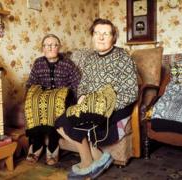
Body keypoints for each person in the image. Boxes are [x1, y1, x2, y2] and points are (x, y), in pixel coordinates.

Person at [55, 18, 139, 179]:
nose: (100, 37)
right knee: (59, 123)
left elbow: (131, 92)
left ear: (113, 37)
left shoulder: (123, 57)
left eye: (105, 34)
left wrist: (106, 106)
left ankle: (87, 163)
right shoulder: (90, 58)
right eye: (97, 33)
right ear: (92, 36)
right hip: (91, 104)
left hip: (115, 105)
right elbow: (84, 84)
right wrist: (82, 97)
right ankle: (98, 158)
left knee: (75, 122)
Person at [24, 34, 81, 166]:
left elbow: (77, 83)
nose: (51, 47)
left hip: (62, 95)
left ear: (59, 47)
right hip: (43, 93)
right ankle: (37, 145)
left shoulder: (67, 63)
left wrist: (78, 100)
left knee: (54, 103)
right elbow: (31, 82)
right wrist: (29, 96)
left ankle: (52, 147)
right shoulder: (38, 63)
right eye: (47, 45)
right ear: (42, 48)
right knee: (33, 101)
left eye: (54, 44)